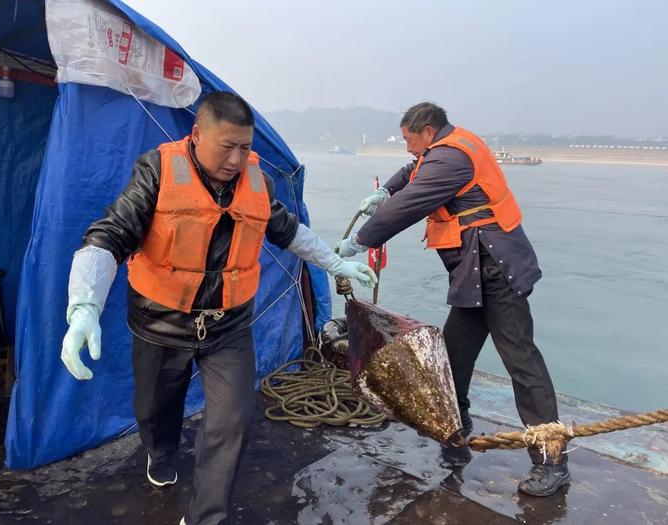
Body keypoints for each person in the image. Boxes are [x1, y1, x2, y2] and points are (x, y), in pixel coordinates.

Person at [60, 91, 377, 525]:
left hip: (228, 326)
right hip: (160, 322)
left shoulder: (258, 183)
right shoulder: (157, 170)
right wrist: (84, 306)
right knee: (154, 411)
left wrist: (337, 261)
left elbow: (289, 232)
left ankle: (206, 516)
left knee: (232, 420)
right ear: (197, 135)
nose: (235, 158)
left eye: (244, 147)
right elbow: (110, 234)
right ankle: (160, 455)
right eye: (226, 146)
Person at [336, 102, 570, 497]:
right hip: (472, 271)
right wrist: (386, 190)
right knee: (454, 354)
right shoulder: (445, 147)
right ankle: (453, 427)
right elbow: (412, 173)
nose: (409, 150)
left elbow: (414, 202)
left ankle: (551, 461)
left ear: (428, 132)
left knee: (521, 361)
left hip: (495, 269)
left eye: (411, 140)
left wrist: (362, 240)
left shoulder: (450, 159)